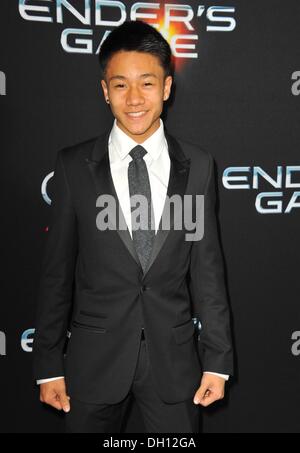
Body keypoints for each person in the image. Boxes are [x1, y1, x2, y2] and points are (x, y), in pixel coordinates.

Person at [33, 20, 234, 433]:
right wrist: (48, 364)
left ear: (166, 87)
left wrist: (218, 361)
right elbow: (57, 274)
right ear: (105, 91)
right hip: (93, 365)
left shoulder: (197, 166)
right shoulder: (73, 166)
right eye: (121, 85)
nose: (135, 98)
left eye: (147, 82)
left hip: (174, 365)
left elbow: (207, 271)